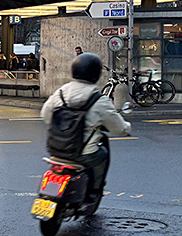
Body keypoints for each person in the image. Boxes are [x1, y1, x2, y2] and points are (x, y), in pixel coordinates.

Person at [41, 53, 131, 200]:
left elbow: (45, 114)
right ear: (96, 74)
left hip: (55, 149)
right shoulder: (99, 100)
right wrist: (126, 127)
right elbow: (118, 128)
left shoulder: (61, 92)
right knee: (102, 155)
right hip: (83, 154)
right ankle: (95, 189)